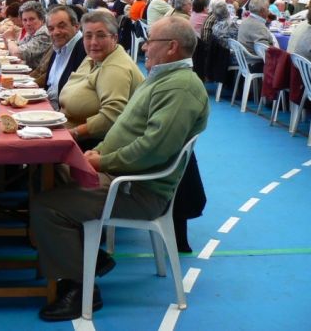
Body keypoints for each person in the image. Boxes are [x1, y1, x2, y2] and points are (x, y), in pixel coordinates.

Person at [31, 16, 209, 322]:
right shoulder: (162, 78)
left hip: (138, 189)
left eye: (151, 41)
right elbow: (127, 129)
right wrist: (98, 152)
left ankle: (81, 288)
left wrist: (102, 161)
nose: (145, 46)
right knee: (46, 174)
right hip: (122, 176)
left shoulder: (180, 89)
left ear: (171, 48)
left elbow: (153, 149)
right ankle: (85, 258)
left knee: (48, 206)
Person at [59, 10, 145, 150]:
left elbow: (113, 115)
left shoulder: (115, 68)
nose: (93, 42)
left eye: (101, 36)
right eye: (88, 36)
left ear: (114, 38)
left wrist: (73, 133)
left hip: (93, 145)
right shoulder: (93, 58)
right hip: (69, 132)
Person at [29, 6, 87, 110]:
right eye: (51, 28)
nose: (56, 32)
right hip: (48, 108)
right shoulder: (59, 46)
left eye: (62, 26)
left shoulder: (85, 49)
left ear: (76, 26)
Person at [1, 0, 51, 69]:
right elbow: (13, 51)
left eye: (32, 19)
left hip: (38, 78)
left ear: (42, 19)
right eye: (25, 20)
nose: (28, 23)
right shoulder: (32, 32)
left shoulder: (44, 33)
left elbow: (16, 53)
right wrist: (6, 38)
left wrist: (10, 39)